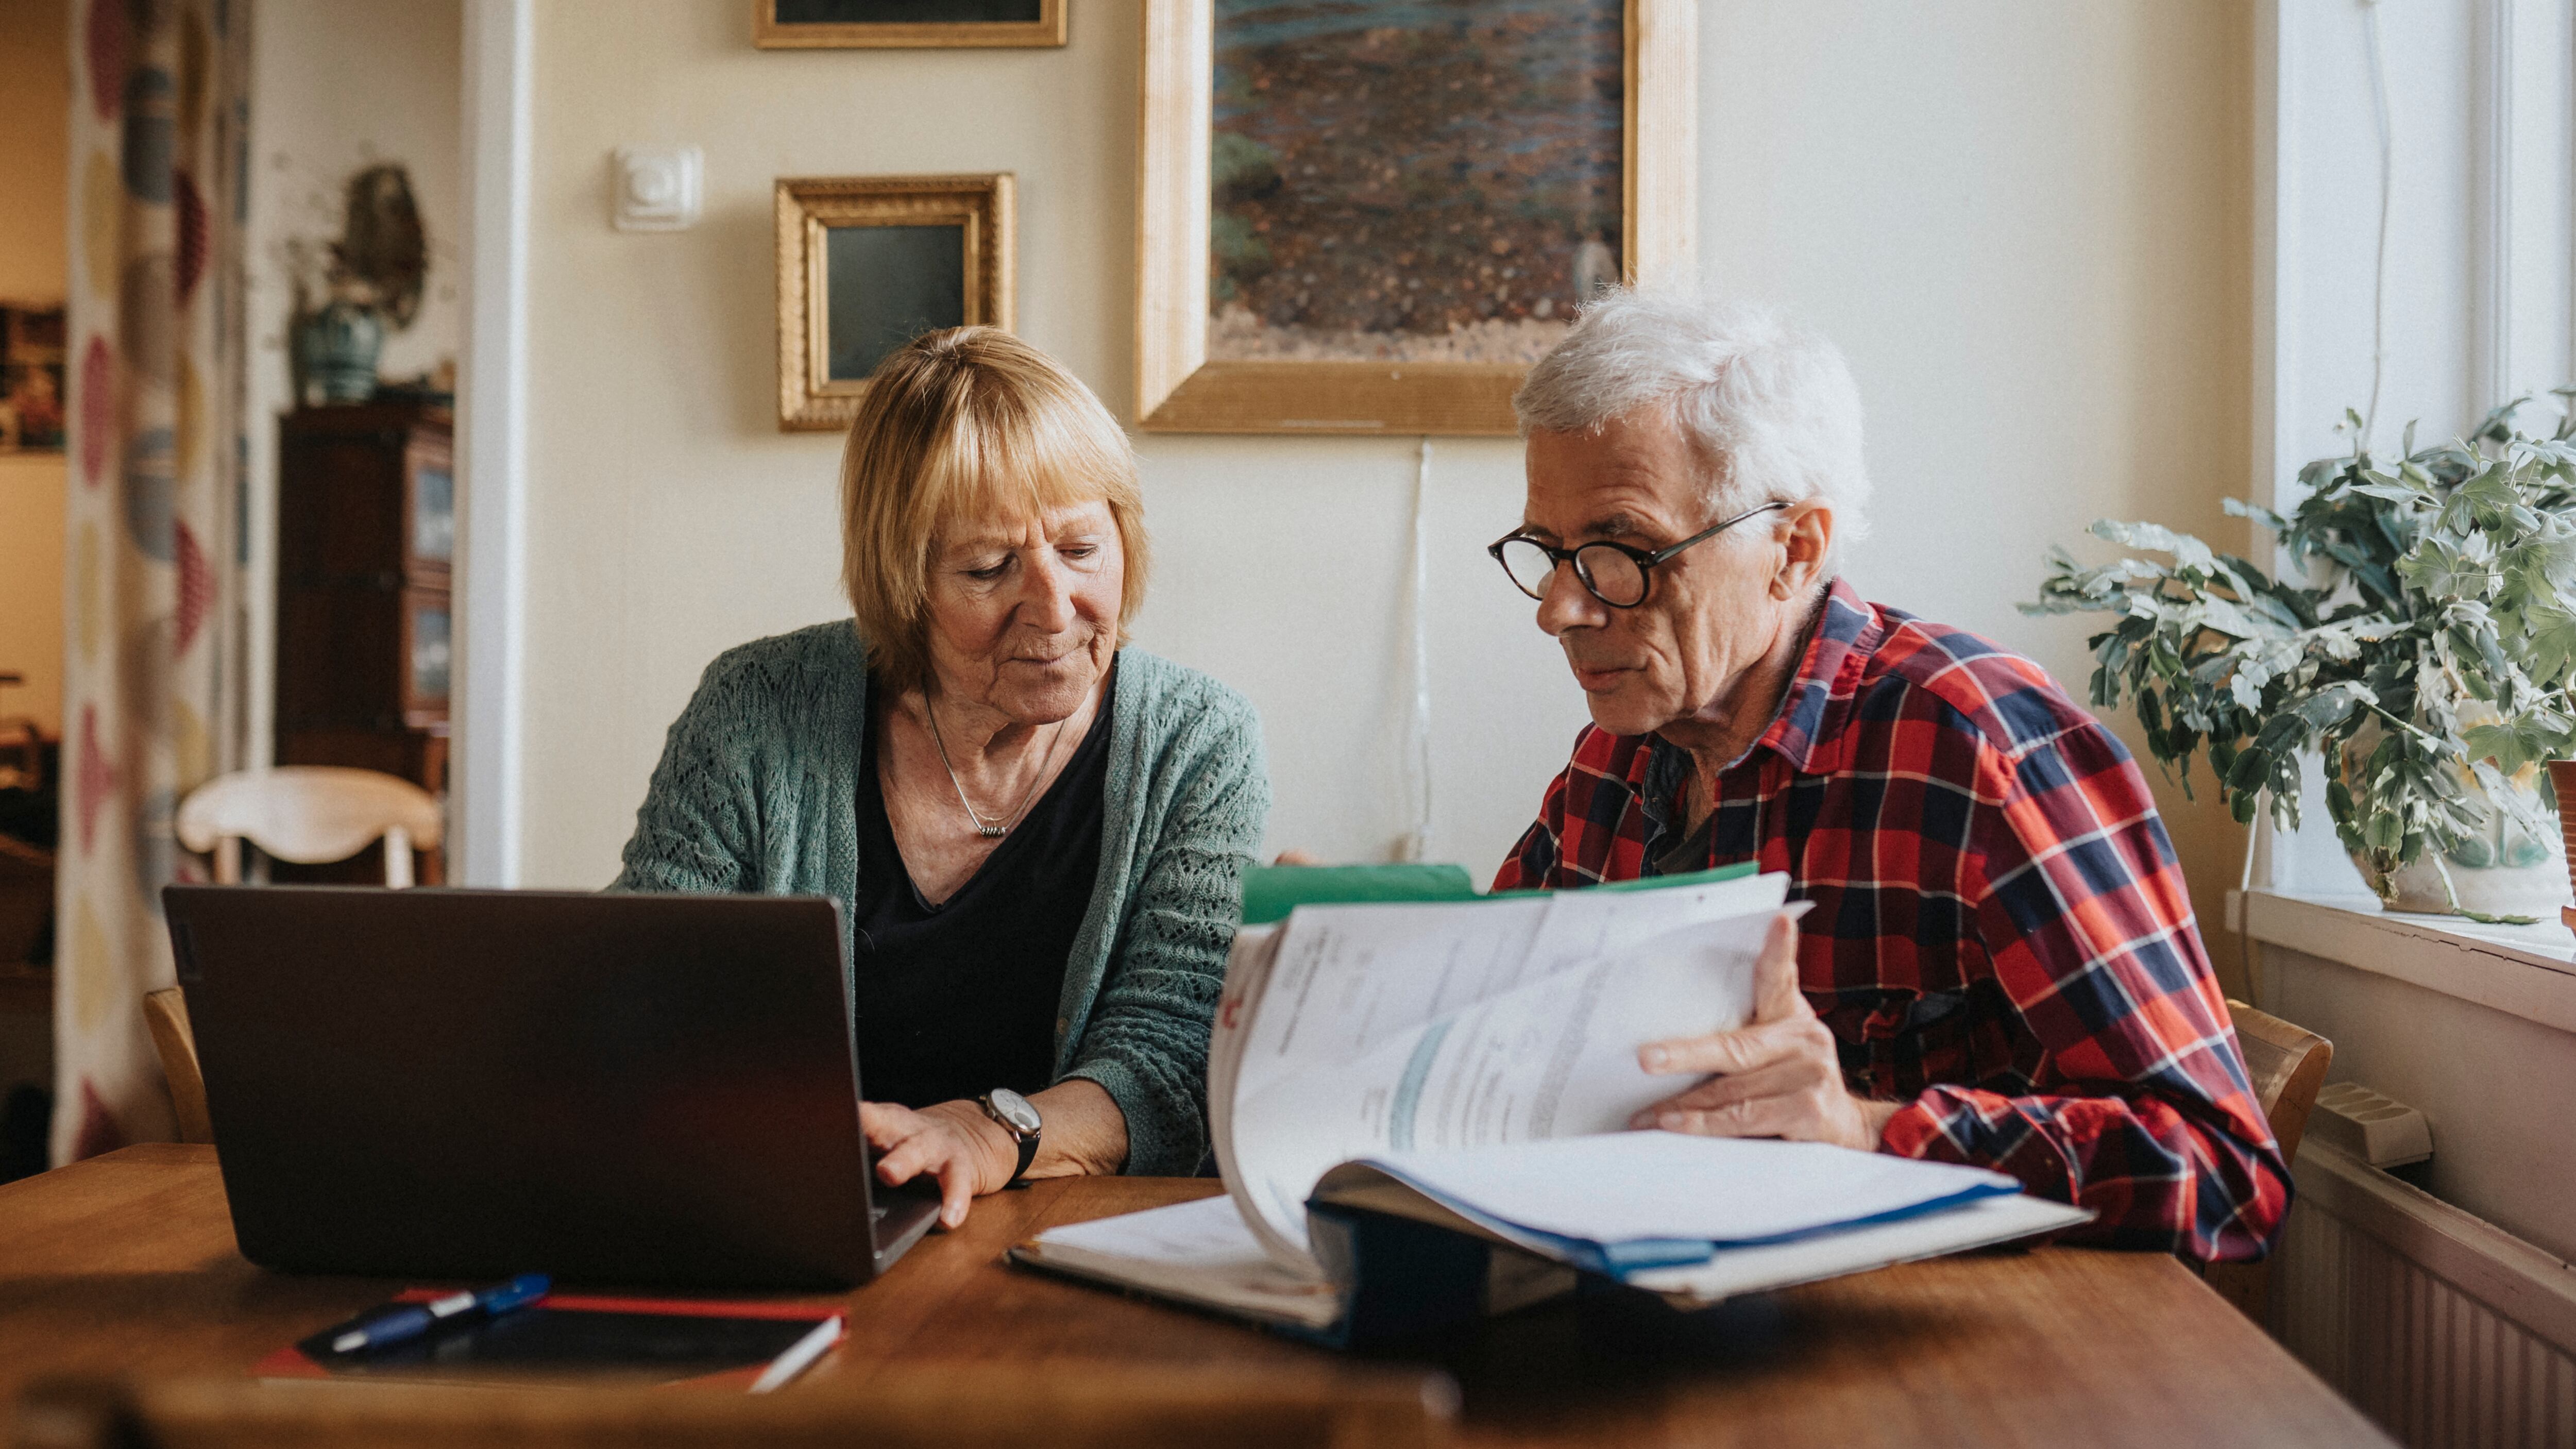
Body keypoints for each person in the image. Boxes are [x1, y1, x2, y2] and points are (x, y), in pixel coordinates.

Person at [1487, 291, 2288, 1261]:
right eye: (1550, 553)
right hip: (1676, 1298)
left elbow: (2220, 1169)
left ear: (1795, 549)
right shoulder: (1615, 759)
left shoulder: (1981, 750)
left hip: (1954, 1357)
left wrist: (1867, 1131)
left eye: (1620, 551)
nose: (1561, 609)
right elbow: (1499, 1030)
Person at [617, 328, 1268, 1228]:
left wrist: (991, 1134)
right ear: (900, 583)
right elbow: (642, 992)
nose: (1052, 606)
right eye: (988, 567)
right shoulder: (757, 708)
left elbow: (1169, 1056)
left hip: (1078, 1234)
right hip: (801, 1217)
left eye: (1081, 550)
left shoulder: (1197, 741)